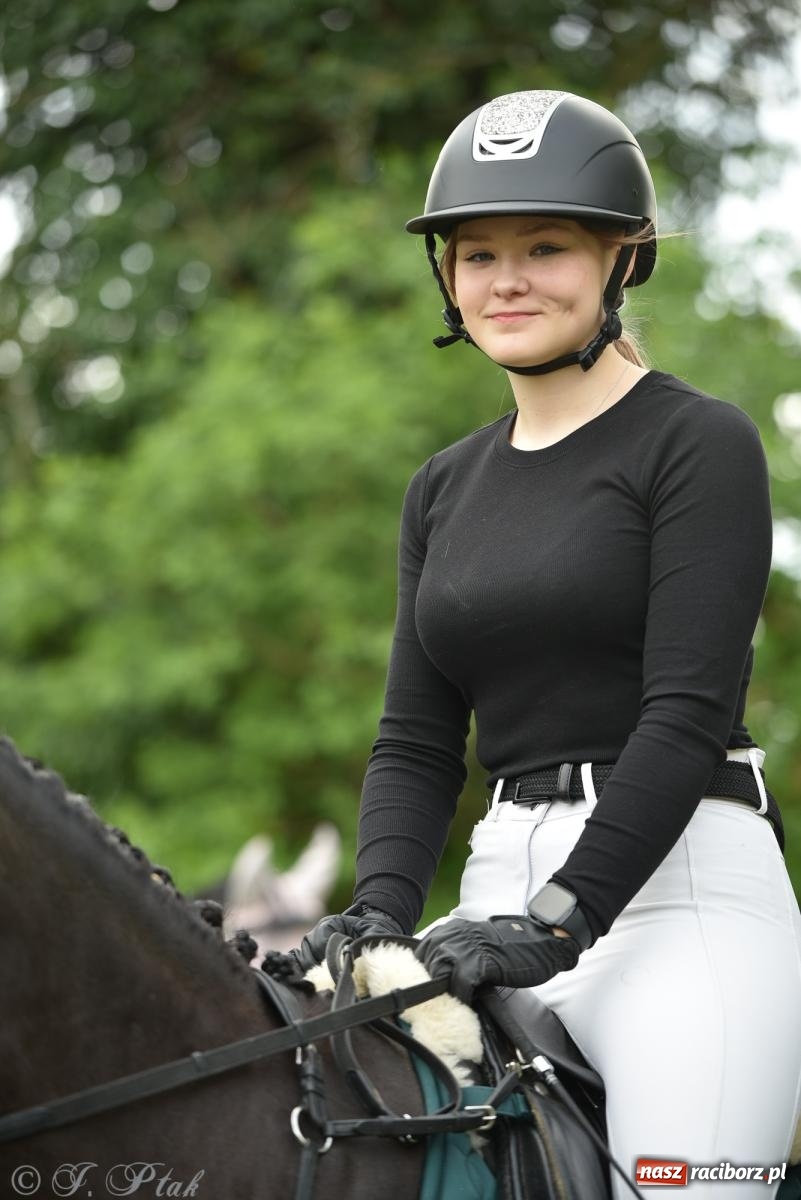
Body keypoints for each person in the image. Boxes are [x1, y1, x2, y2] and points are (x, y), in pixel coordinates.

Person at [287, 90, 801, 1195]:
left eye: (546, 245)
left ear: (623, 260)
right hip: (491, 893)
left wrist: (561, 924)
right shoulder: (442, 486)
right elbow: (419, 740)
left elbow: (686, 715)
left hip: (677, 905)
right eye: (476, 254)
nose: (505, 279)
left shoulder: (697, 442)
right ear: (448, 278)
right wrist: (377, 910)